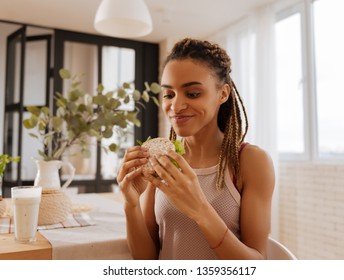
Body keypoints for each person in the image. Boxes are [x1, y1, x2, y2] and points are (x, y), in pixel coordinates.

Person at [116, 38, 275, 260]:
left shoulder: (251, 161)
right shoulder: (162, 161)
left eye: (192, 94)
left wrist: (200, 209)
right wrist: (131, 203)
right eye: (169, 94)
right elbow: (146, 260)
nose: (176, 106)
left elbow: (256, 264)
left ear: (223, 94)